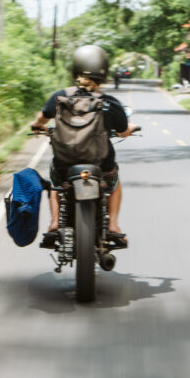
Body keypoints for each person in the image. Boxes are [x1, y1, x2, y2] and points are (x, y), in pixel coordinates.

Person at [31, 45, 139, 249]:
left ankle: (54, 223)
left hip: (65, 164)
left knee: (56, 183)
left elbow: (42, 116)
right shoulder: (108, 102)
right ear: (104, 72)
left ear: (76, 71)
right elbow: (123, 129)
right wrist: (129, 128)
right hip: (101, 164)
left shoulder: (61, 96)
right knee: (114, 182)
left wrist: (38, 126)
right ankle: (114, 225)